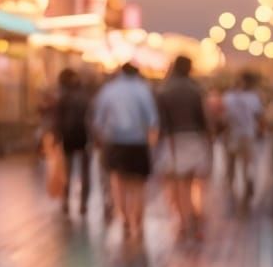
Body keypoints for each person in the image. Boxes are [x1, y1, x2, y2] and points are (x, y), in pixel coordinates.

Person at [90, 63, 160, 248]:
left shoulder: (108, 90)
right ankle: (138, 221)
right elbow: (153, 120)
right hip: (138, 142)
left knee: (117, 181)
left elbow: (98, 120)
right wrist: (152, 145)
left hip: (114, 143)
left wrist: (102, 138)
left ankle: (125, 219)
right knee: (138, 184)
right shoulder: (143, 90)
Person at [155, 55, 212, 241]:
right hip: (194, 137)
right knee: (193, 182)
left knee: (178, 184)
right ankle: (194, 218)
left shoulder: (164, 89)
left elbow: (161, 122)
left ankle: (183, 220)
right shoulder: (196, 89)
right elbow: (204, 119)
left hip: (173, 139)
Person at [52, 68, 93, 218]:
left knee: (67, 171)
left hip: (68, 138)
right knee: (85, 172)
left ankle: (66, 201)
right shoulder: (86, 96)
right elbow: (92, 117)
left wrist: (57, 137)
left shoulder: (63, 96)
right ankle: (83, 203)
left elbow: (57, 119)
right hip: (85, 137)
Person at [222, 71, 266, 209]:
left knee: (231, 165)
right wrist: (260, 132)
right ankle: (247, 185)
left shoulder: (227, 97)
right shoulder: (254, 98)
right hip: (248, 135)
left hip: (232, 135)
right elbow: (260, 117)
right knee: (247, 165)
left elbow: (223, 117)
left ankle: (231, 189)